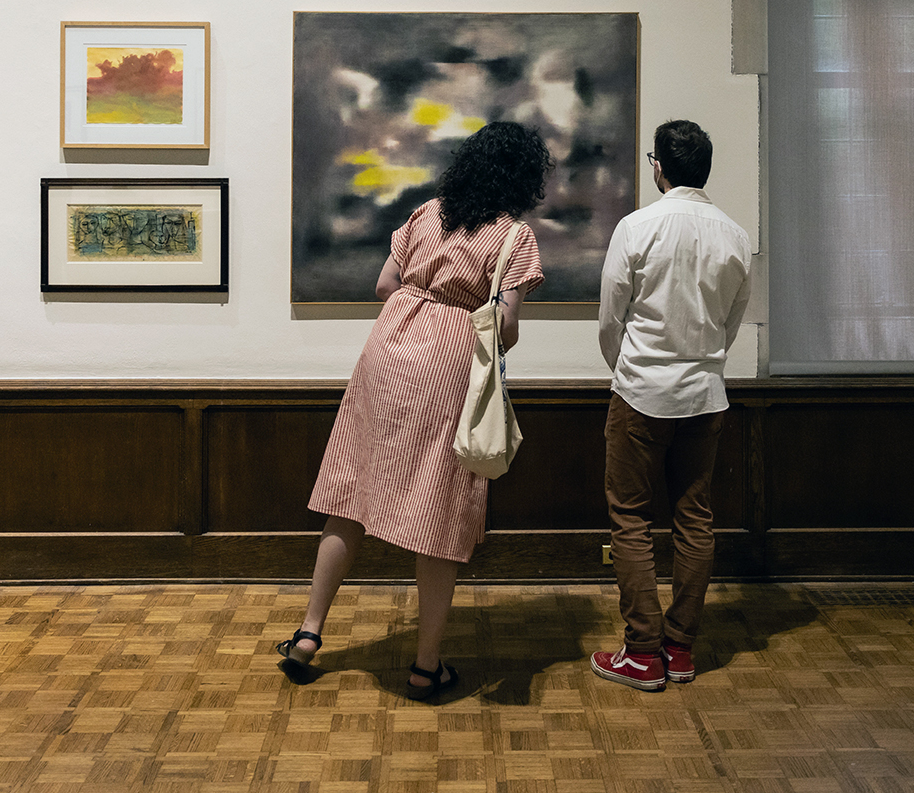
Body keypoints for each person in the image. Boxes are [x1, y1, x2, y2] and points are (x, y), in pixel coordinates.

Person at [277, 120, 551, 701]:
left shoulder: (428, 212)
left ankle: (307, 634)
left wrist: (419, 300)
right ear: (524, 178)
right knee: (439, 508)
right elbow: (503, 326)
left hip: (389, 345)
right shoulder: (513, 238)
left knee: (351, 491)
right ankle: (426, 667)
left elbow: (384, 285)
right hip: (448, 361)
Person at [590, 119, 751, 692]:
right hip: (705, 394)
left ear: (659, 165)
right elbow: (731, 323)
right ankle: (680, 649)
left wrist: (625, 367)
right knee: (694, 518)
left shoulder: (636, 227)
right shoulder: (734, 235)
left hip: (640, 391)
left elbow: (612, 317)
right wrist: (704, 363)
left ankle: (642, 652)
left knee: (630, 518)